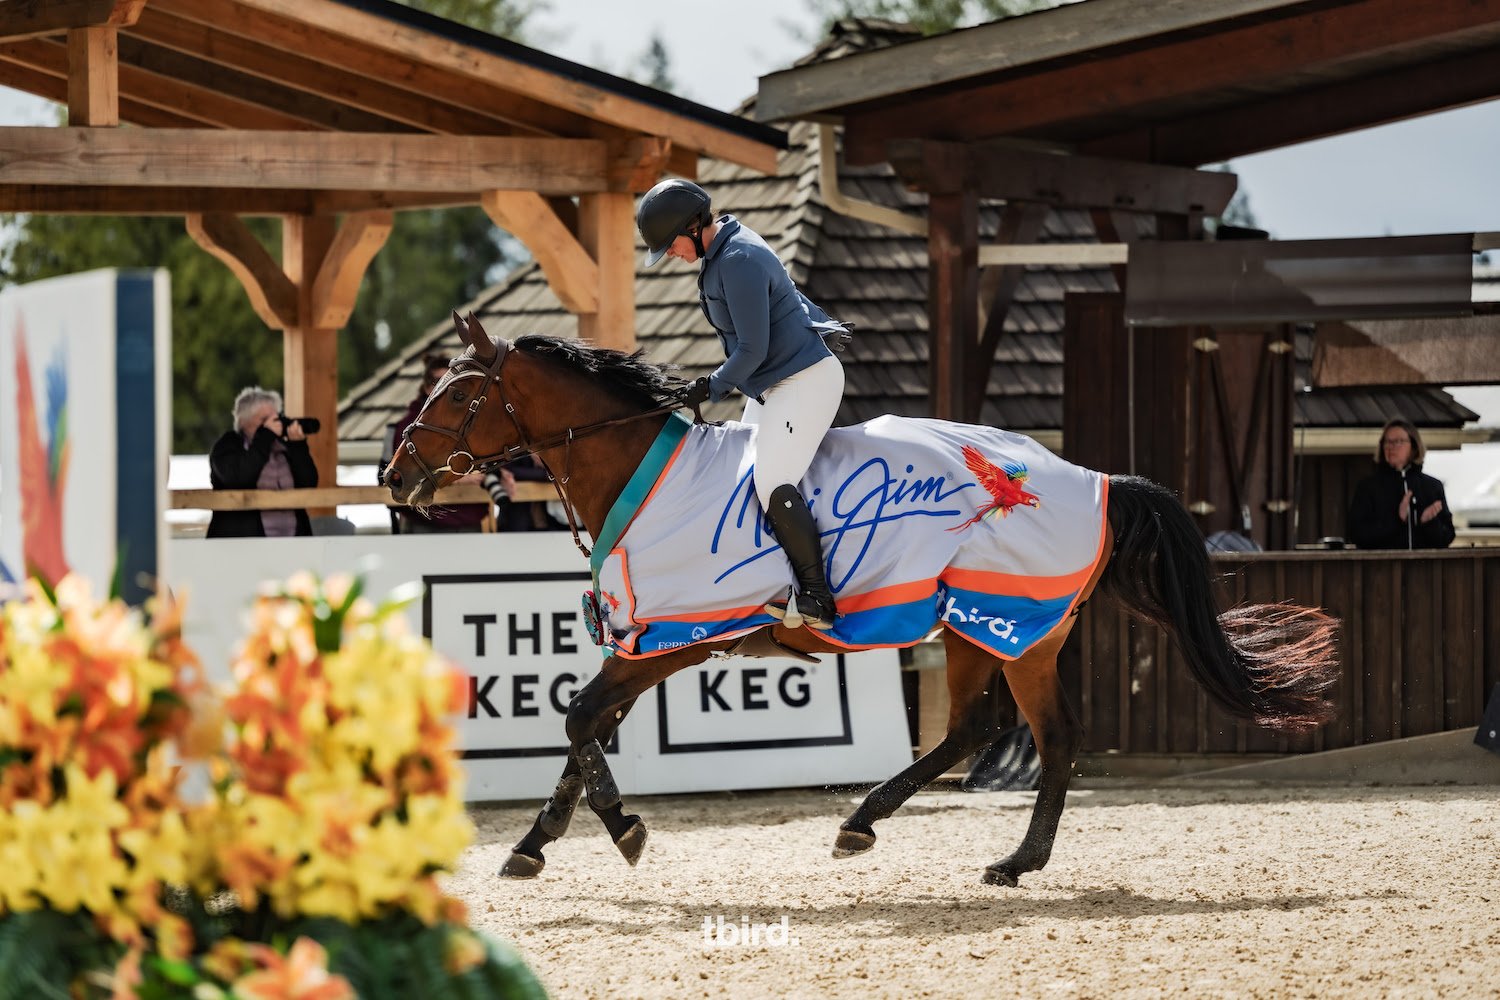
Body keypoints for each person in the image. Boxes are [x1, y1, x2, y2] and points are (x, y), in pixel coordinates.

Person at [637, 178, 848, 629]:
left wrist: (711, 386)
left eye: (669, 245)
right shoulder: (723, 252)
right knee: (740, 476)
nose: (669, 254)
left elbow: (752, 349)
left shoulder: (738, 260)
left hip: (803, 381)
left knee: (771, 481)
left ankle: (818, 598)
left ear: (692, 227)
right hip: (773, 385)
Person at [392, 353, 492, 533]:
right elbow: (400, 472)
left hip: (468, 519)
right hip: (424, 521)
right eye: (436, 380)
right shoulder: (408, 426)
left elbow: (485, 462)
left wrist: (499, 475)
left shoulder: (470, 423)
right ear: (425, 387)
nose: (442, 385)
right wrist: (456, 478)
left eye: (449, 380)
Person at [207, 387, 318, 538]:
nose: (274, 424)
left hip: (292, 543)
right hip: (241, 546)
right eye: (265, 419)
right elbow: (239, 478)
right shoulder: (228, 445)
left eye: (276, 418)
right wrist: (264, 438)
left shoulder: (283, 447)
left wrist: (298, 447)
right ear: (244, 421)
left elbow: (309, 483)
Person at [1347, 417, 1455, 550]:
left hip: (1424, 569)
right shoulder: (1368, 487)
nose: (1390, 447)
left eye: (1398, 441)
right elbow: (1357, 535)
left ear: (1414, 447)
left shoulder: (1432, 487)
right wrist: (1397, 519)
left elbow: (1447, 537)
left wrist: (1428, 523)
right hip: (1382, 569)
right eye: (1387, 442)